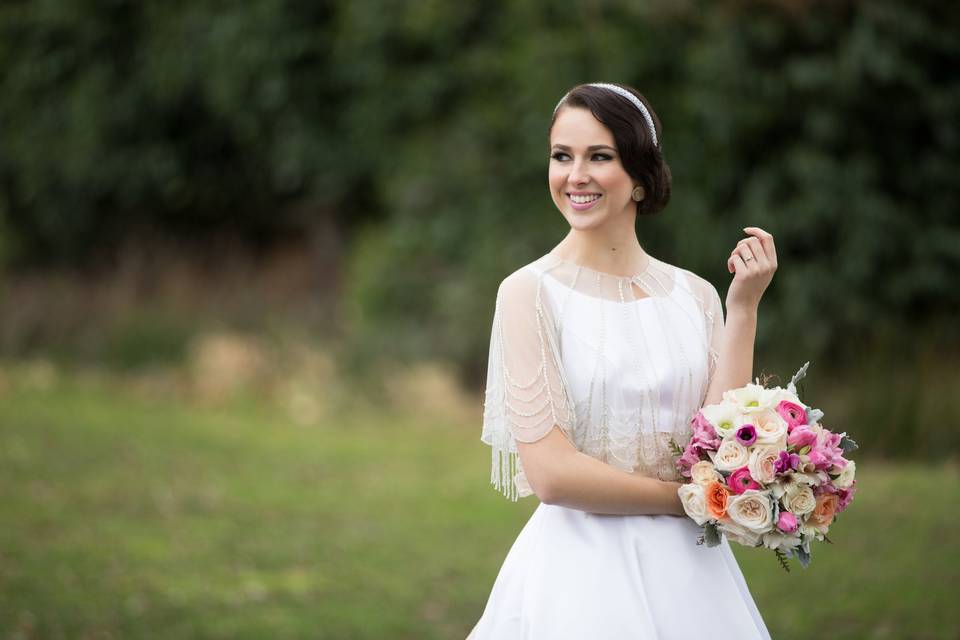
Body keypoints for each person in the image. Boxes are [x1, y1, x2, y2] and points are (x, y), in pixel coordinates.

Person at [467, 82, 776, 639]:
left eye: (599, 157)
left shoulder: (696, 296)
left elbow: (721, 439)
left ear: (639, 175)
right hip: (579, 576)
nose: (575, 175)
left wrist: (744, 308)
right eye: (562, 156)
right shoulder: (529, 292)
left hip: (694, 580)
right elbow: (552, 475)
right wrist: (692, 502)